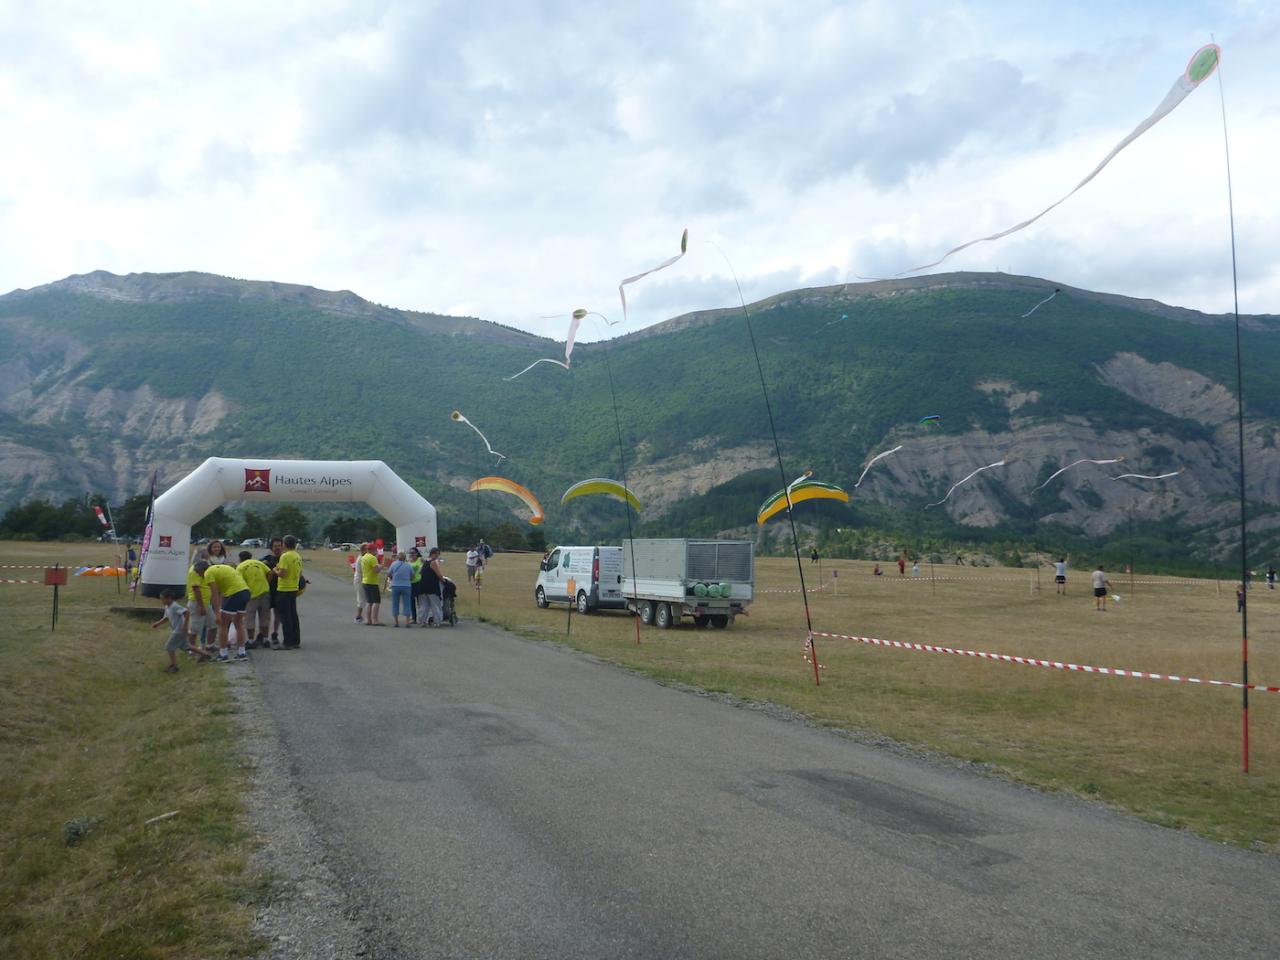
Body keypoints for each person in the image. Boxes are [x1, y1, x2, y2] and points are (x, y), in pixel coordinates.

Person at [195, 557, 251, 661]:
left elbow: (215, 594)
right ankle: (242, 653)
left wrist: (217, 613)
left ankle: (223, 654)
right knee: (238, 623)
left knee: (223, 624)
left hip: (234, 593)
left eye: (198, 572)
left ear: (202, 569)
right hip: (245, 592)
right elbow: (222, 592)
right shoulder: (222, 567)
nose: (199, 575)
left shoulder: (208, 573)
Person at [153, 589, 207, 672]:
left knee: (169, 647)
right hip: (177, 629)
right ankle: (205, 654)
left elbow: (186, 612)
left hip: (179, 630)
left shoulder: (174, 606)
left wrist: (185, 626)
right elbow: (166, 618)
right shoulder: (168, 607)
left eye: (163, 599)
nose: (162, 601)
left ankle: (174, 666)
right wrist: (158, 623)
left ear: (169, 598)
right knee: (186, 646)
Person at [236, 550, 273, 648]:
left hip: (251, 595)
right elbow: (270, 572)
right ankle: (265, 640)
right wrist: (266, 583)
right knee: (265, 617)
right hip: (265, 592)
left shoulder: (240, 567)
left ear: (240, 559)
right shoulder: (259, 563)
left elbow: (239, 581)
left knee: (250, 618)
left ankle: (251, 641)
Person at [275, 535, 304, 648]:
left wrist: (276, 570)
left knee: (285, 617)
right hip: (293, 588)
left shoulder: (285, 556)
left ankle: (287, 642)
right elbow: (300, 573)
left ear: (284, 544)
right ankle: (295, 640)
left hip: (284, 589)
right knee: (293, 615)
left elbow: (283, 573)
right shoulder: (297, 556)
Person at [186, 556, 217, 654]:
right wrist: (201, 606)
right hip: (197, 603)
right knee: (194, 628)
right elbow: (196, 589)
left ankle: (210, 646)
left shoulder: (207, 570)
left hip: (206, 602)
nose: (202, 574)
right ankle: (192, 649)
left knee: (213, 624)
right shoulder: (194, 572)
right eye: (201, 573)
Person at [260, 537, 285, 645]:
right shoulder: (266, 559)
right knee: (265, 614)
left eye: (279, 546)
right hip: (267, 590)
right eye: (275, 546)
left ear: (283, 547)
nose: (277, 548)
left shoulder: (285, 558)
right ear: (271, 547)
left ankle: (274, 634)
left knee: (278, 613)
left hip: (280, 590)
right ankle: (263, 634)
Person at [418, 547, 444, 626]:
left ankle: (422, 621)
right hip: (432, 586)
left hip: (422, 585)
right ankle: (437, 621)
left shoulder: (425, 561)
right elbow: (438, 574)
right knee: (435, 604)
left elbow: (420, 572)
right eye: (437, 554)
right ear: (435, 553)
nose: (438, 556)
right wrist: (443, 580)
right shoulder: (433, 562)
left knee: (424, 605)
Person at [386, 551, 414, 627]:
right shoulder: (408, 565)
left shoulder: (394, 564)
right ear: (405, 558)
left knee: (395, 603)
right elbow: (412, 575)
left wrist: (392, 579)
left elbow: (389, 573)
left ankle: (396, 622)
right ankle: (407, 622)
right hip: (406, 586)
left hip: (395, 585)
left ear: (398, 557)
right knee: (407, 603)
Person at [359, 541, 383, 626]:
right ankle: (374, 620)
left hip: (365, 581)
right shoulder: (372, 558)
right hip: (372, 582)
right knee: (376, 601)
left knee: (369, 602)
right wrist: (381, 566)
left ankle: (368, 619)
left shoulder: (364, 557)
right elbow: (376, 570)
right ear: (373, 550)